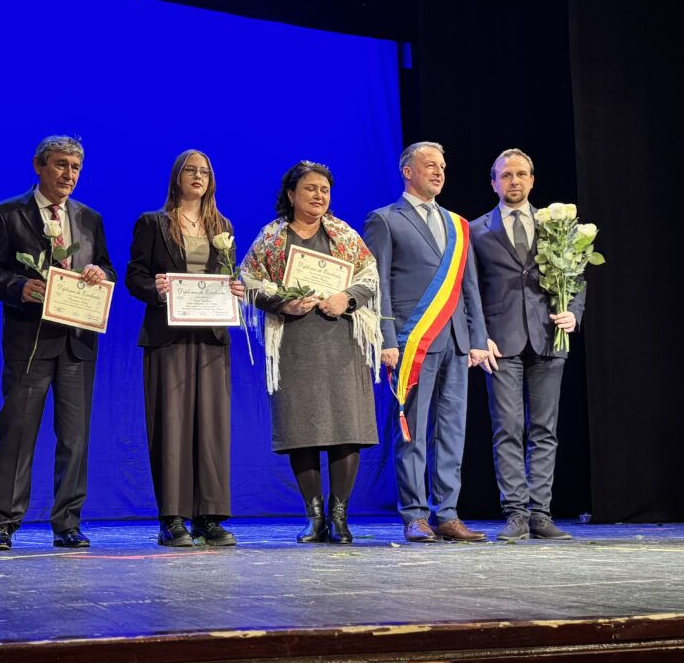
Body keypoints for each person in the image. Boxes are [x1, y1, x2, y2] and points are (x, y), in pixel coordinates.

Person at [0, 135, 115, 551]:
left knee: (74, 439)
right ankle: (3, 522)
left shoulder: (89, 217)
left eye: (75, 168)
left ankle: (68, 523)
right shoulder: (7, 213)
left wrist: (99, 274)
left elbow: (106, 266)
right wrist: (19, 287)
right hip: (30, 341)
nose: (68, 174)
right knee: (17, 434)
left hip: (77, 342)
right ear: (39, 166)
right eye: (60, 165)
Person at [242, 161, 382, 544]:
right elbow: (249, 280)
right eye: (310, 188)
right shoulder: (273, 237)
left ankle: (339, 517)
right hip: (295, 342)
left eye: (324, 189)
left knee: (346, 428)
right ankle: (314, 518)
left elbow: (369, 276)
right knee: (301, 430)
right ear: (291, 195)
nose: (319, 195)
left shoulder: (344, 234)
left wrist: (346, 298)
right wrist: (282, 303)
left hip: (342, 340)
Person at [363, 142, 495, 543]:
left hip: (455, 340)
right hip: (413, 341)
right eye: (430, 165)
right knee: (413, 430)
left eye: (442, 166)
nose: (439, 172)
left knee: (452, 431)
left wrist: (477, 338)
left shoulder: (458, 224)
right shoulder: (385, 220)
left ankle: (447, 514)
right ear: (408, 171)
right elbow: (378, 286)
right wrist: (386, 338)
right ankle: (415, 514)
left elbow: (469, 287)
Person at [126, 150, 245, 547]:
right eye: (191, 170)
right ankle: (173, 517)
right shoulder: (153, 223)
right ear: (177, 176)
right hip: (168, 336)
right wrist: (155, 289)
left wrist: (235, 288)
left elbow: (226, 274)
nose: (198, 176)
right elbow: (134, 276)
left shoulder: (222, 226)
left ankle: (209, 517)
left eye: (204, 172)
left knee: (211, 427)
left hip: (210, 336)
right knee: (171, 425)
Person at [470, 148, 585, 541]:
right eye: (506, 175)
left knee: (544, 430)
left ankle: (540, 513)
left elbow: (576, 277)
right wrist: (478, 335)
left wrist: (573, 313)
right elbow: (470, 289)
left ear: (532, 180)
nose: (514, 181)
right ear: (494, 183)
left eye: (521, 174)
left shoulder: (556, 226)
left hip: (548, 338)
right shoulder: (476, 230)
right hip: (500, 343)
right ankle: (515, 513)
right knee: (508, 428)